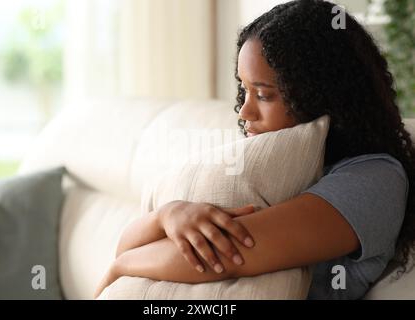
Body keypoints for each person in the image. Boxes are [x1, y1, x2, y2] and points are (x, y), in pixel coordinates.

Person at [94, 0, 415, 299]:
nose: (244, 112)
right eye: (243, 90)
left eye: (263, 95)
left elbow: (224, 254)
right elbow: (125, 244)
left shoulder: (374, 179)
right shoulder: (259, 166)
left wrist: (121, 266)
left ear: (319, 94)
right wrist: (168, 215)